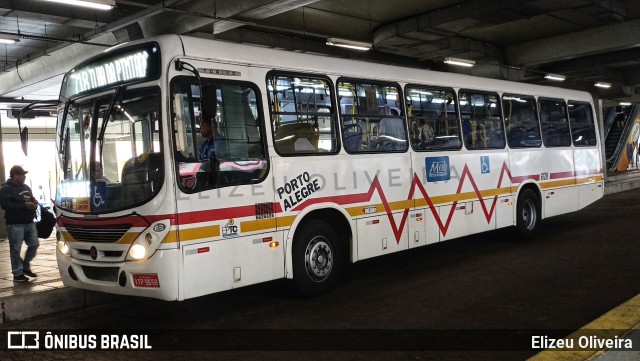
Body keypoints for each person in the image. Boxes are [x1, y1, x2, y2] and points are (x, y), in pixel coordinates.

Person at [0, 165, 39, 282]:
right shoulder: (5, 189)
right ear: (15, 175)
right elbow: (5, 205)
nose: (24, 176)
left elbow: (31, 199)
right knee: (15, 249)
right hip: (15, 224)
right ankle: (17, 273)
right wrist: (24, 205)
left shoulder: (26, 187)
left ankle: (25, 266)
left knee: (34, 244)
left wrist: (34, 202)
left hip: (29, 222)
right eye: (22, 174)